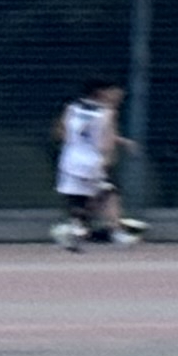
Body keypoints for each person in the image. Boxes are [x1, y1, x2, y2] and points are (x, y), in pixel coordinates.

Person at [50, 82, 136, 247]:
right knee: (108, 193)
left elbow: (61, 132)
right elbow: (106, 143)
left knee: (81, 198)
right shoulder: (107, 113)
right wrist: (107, 159)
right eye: (113, 91)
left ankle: (77, 229)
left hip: (70, 160)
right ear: (101, 92)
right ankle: (114, 231)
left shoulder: (72, 109)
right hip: (93, 162)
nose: (118, 95)